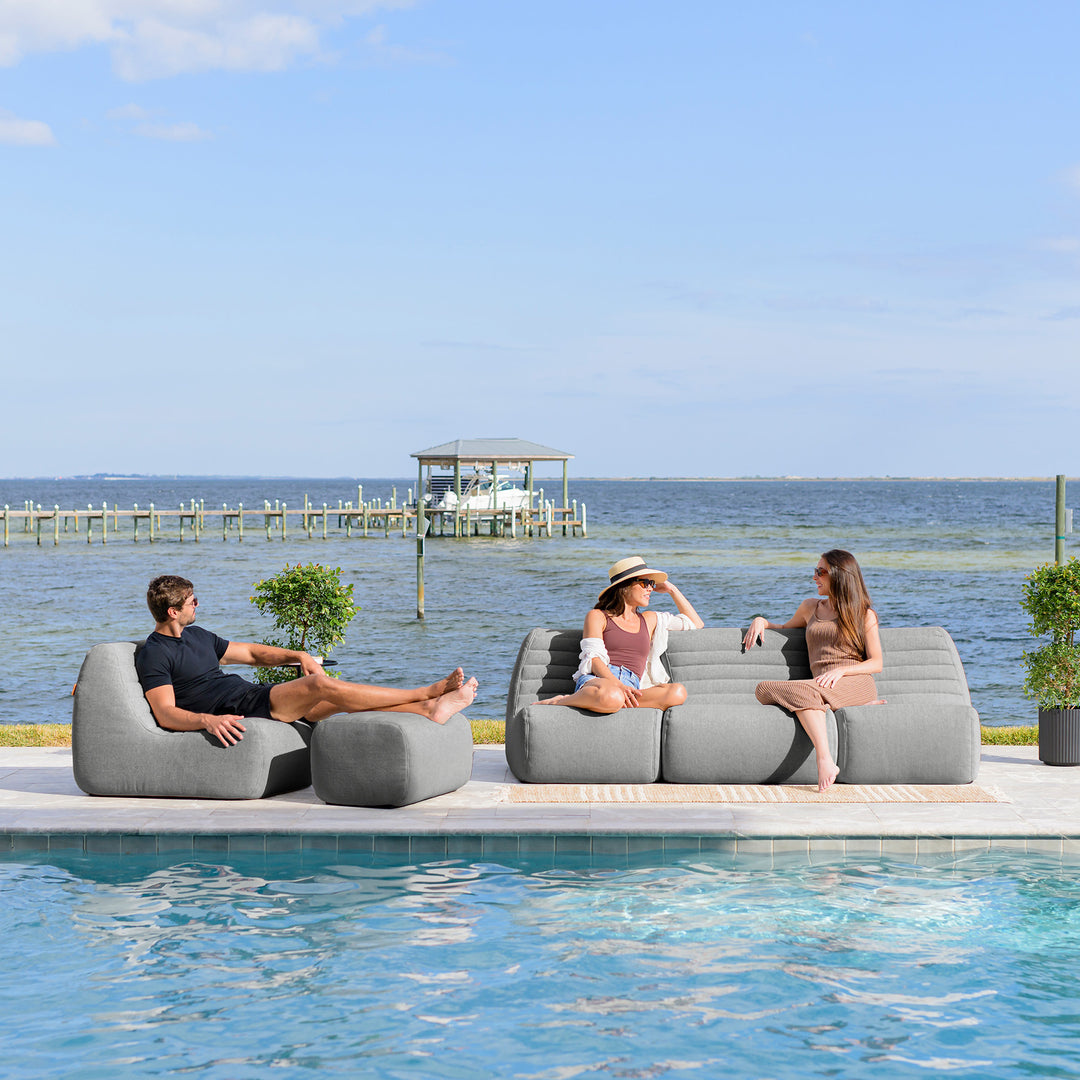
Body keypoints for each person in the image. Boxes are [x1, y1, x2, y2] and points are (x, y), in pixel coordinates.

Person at [136, 575, 477, 747]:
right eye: (193, 602)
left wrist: (299, 655)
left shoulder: (198, 636)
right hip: (242, 707)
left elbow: (253, 654)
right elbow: (166, 713)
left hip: (250, 695)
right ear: (173, 611)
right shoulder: (155, 652)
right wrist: (207, 721)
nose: (198, 605)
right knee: (318, 684)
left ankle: (428, 710)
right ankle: (424, 693)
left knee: (331, 700)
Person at [742, 549, 883, 793]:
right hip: (818, 685)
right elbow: (784, 628)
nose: (815, 577)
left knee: (804, 691)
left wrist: (842, 672)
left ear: (839, 575)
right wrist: (761, 621)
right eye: (814, 571)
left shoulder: (864, 614)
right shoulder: (810, 607)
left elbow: (876, 662)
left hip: (855, 681)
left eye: (821, 572)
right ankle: (837, 706)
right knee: (764, 689)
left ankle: (824, 759)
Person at [536, 556, 704, 713]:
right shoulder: (598, 616)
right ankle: (559, 701)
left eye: (652, 583)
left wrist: (672, 590)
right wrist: (617, 685)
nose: (650, 588)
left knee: (677, 692)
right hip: (600, 681)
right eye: (645, 583)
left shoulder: (650, 619)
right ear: (624, 587)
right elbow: (593, 660)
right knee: (612, 695)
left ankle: (616, 703)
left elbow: (696, 623)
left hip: (632, 686)